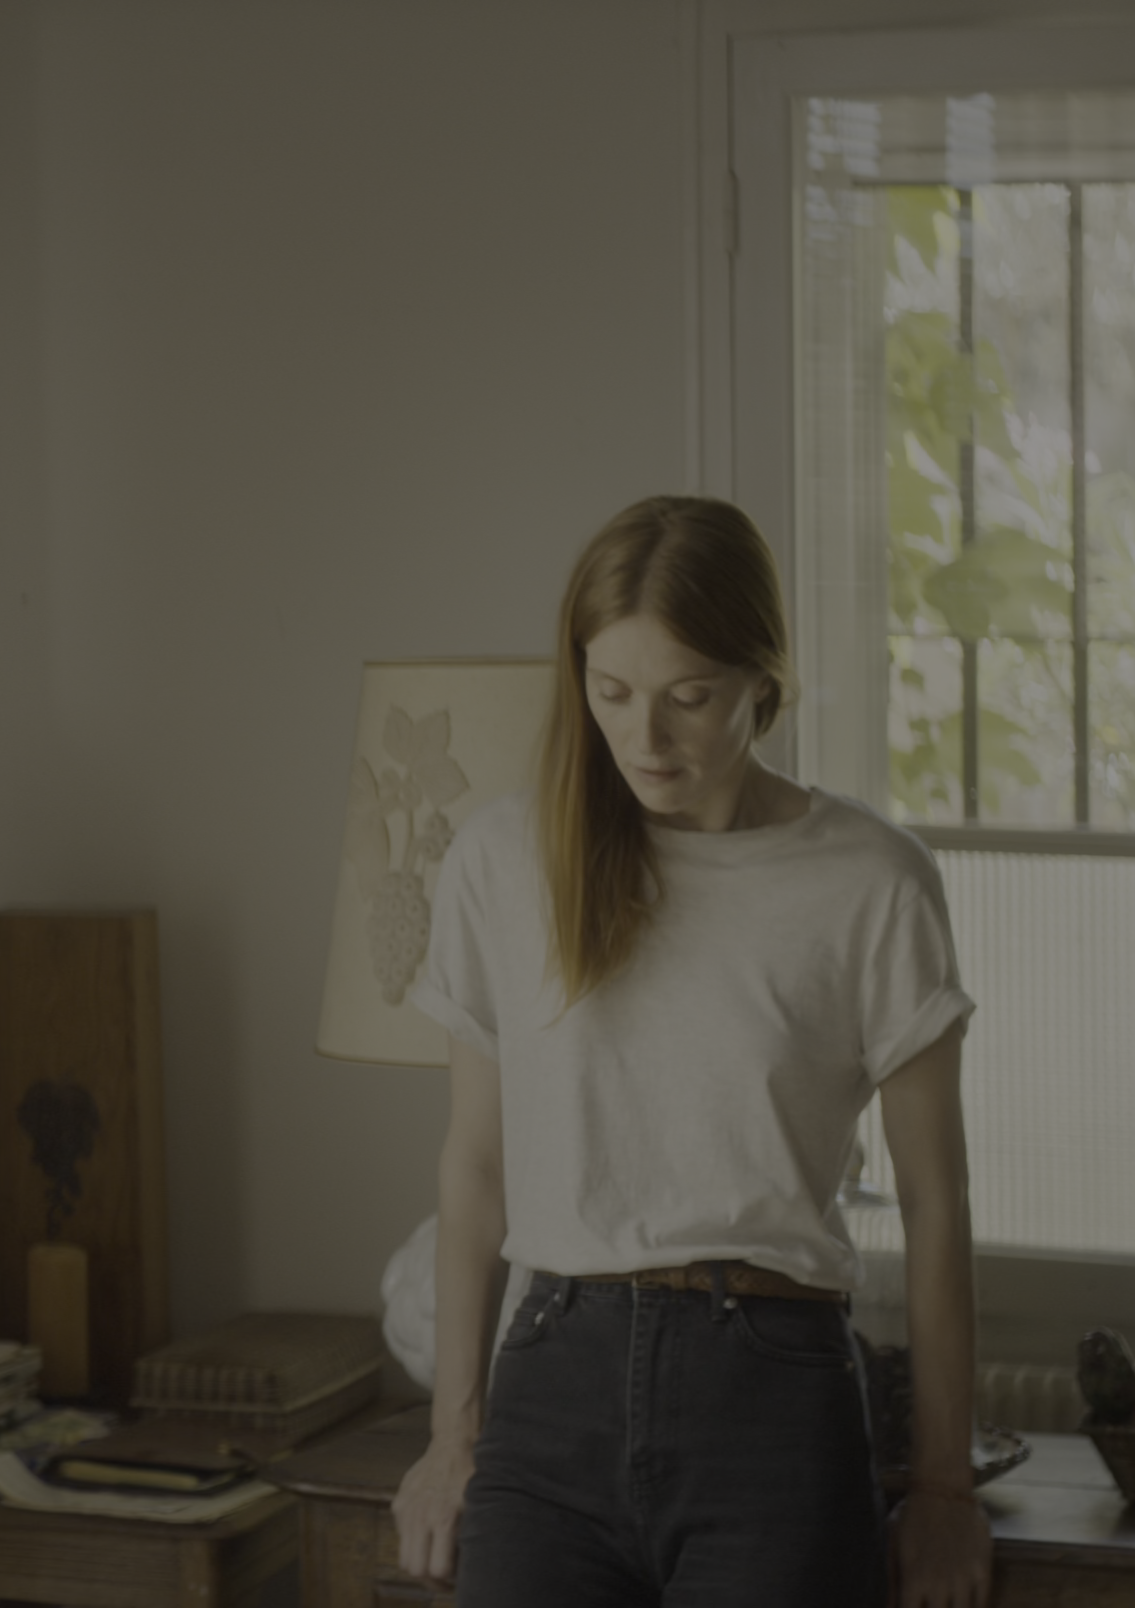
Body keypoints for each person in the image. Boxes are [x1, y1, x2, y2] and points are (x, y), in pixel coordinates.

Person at [389, 496, 992, 1608]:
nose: (644, 740)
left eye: (689, 696)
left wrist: (946, 1488)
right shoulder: (503, 860)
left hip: (773, 1402)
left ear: (764, 680)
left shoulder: (871, 880)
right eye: (611, 692)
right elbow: (476, 1167)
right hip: (549, 1391)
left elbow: (935, 1200)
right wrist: (449, 1436)